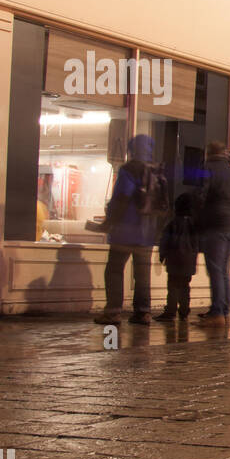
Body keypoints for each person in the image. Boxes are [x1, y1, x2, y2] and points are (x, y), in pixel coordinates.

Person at [94, 133, 165, 326]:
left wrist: (109, 221)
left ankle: (113, 312)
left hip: (125, 232)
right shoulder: (156, 171)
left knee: (114, 270)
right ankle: (143, 313)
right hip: (147, 234)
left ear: (133, 149)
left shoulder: (129, 170)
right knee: (142, 275)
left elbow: (121, 197)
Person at [195, 142, 230, 327]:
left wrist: (197, 218)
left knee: (215, 269)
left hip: (214, 225)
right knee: (223, 270)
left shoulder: (207, 168)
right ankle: (224, 311)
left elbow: (201, 195)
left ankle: (217, 313)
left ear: (209, 153)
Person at [155, 191, 200, 322]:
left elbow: (165, 240)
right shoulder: (193, 225)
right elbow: (196, 243)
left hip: (174, 258)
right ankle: (184, 311)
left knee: (173, 286)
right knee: (185, 286)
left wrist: (162, 255)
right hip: (188, 260)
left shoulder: (173, 223)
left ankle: (170, 311)